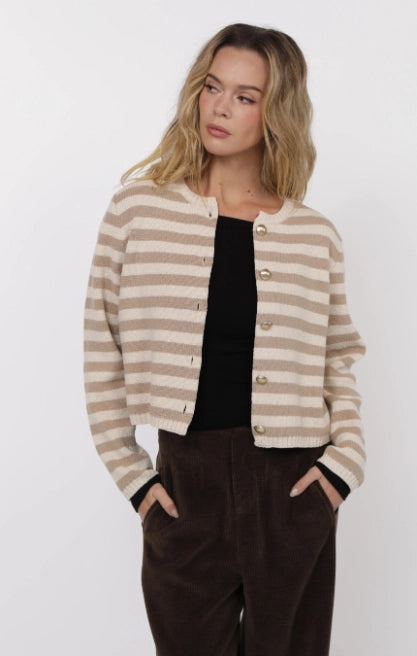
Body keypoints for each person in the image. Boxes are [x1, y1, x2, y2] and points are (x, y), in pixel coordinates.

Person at [83, 22, 367, 656]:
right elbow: (102, 342)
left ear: (276, 112)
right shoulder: (138, 211)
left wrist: (342, 466)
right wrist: (134, 478)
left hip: (294, 483)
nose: (219, 107)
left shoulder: (314, 236)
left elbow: (336, 358)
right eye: (213, 87)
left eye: (245, 96)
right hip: (185, 486)